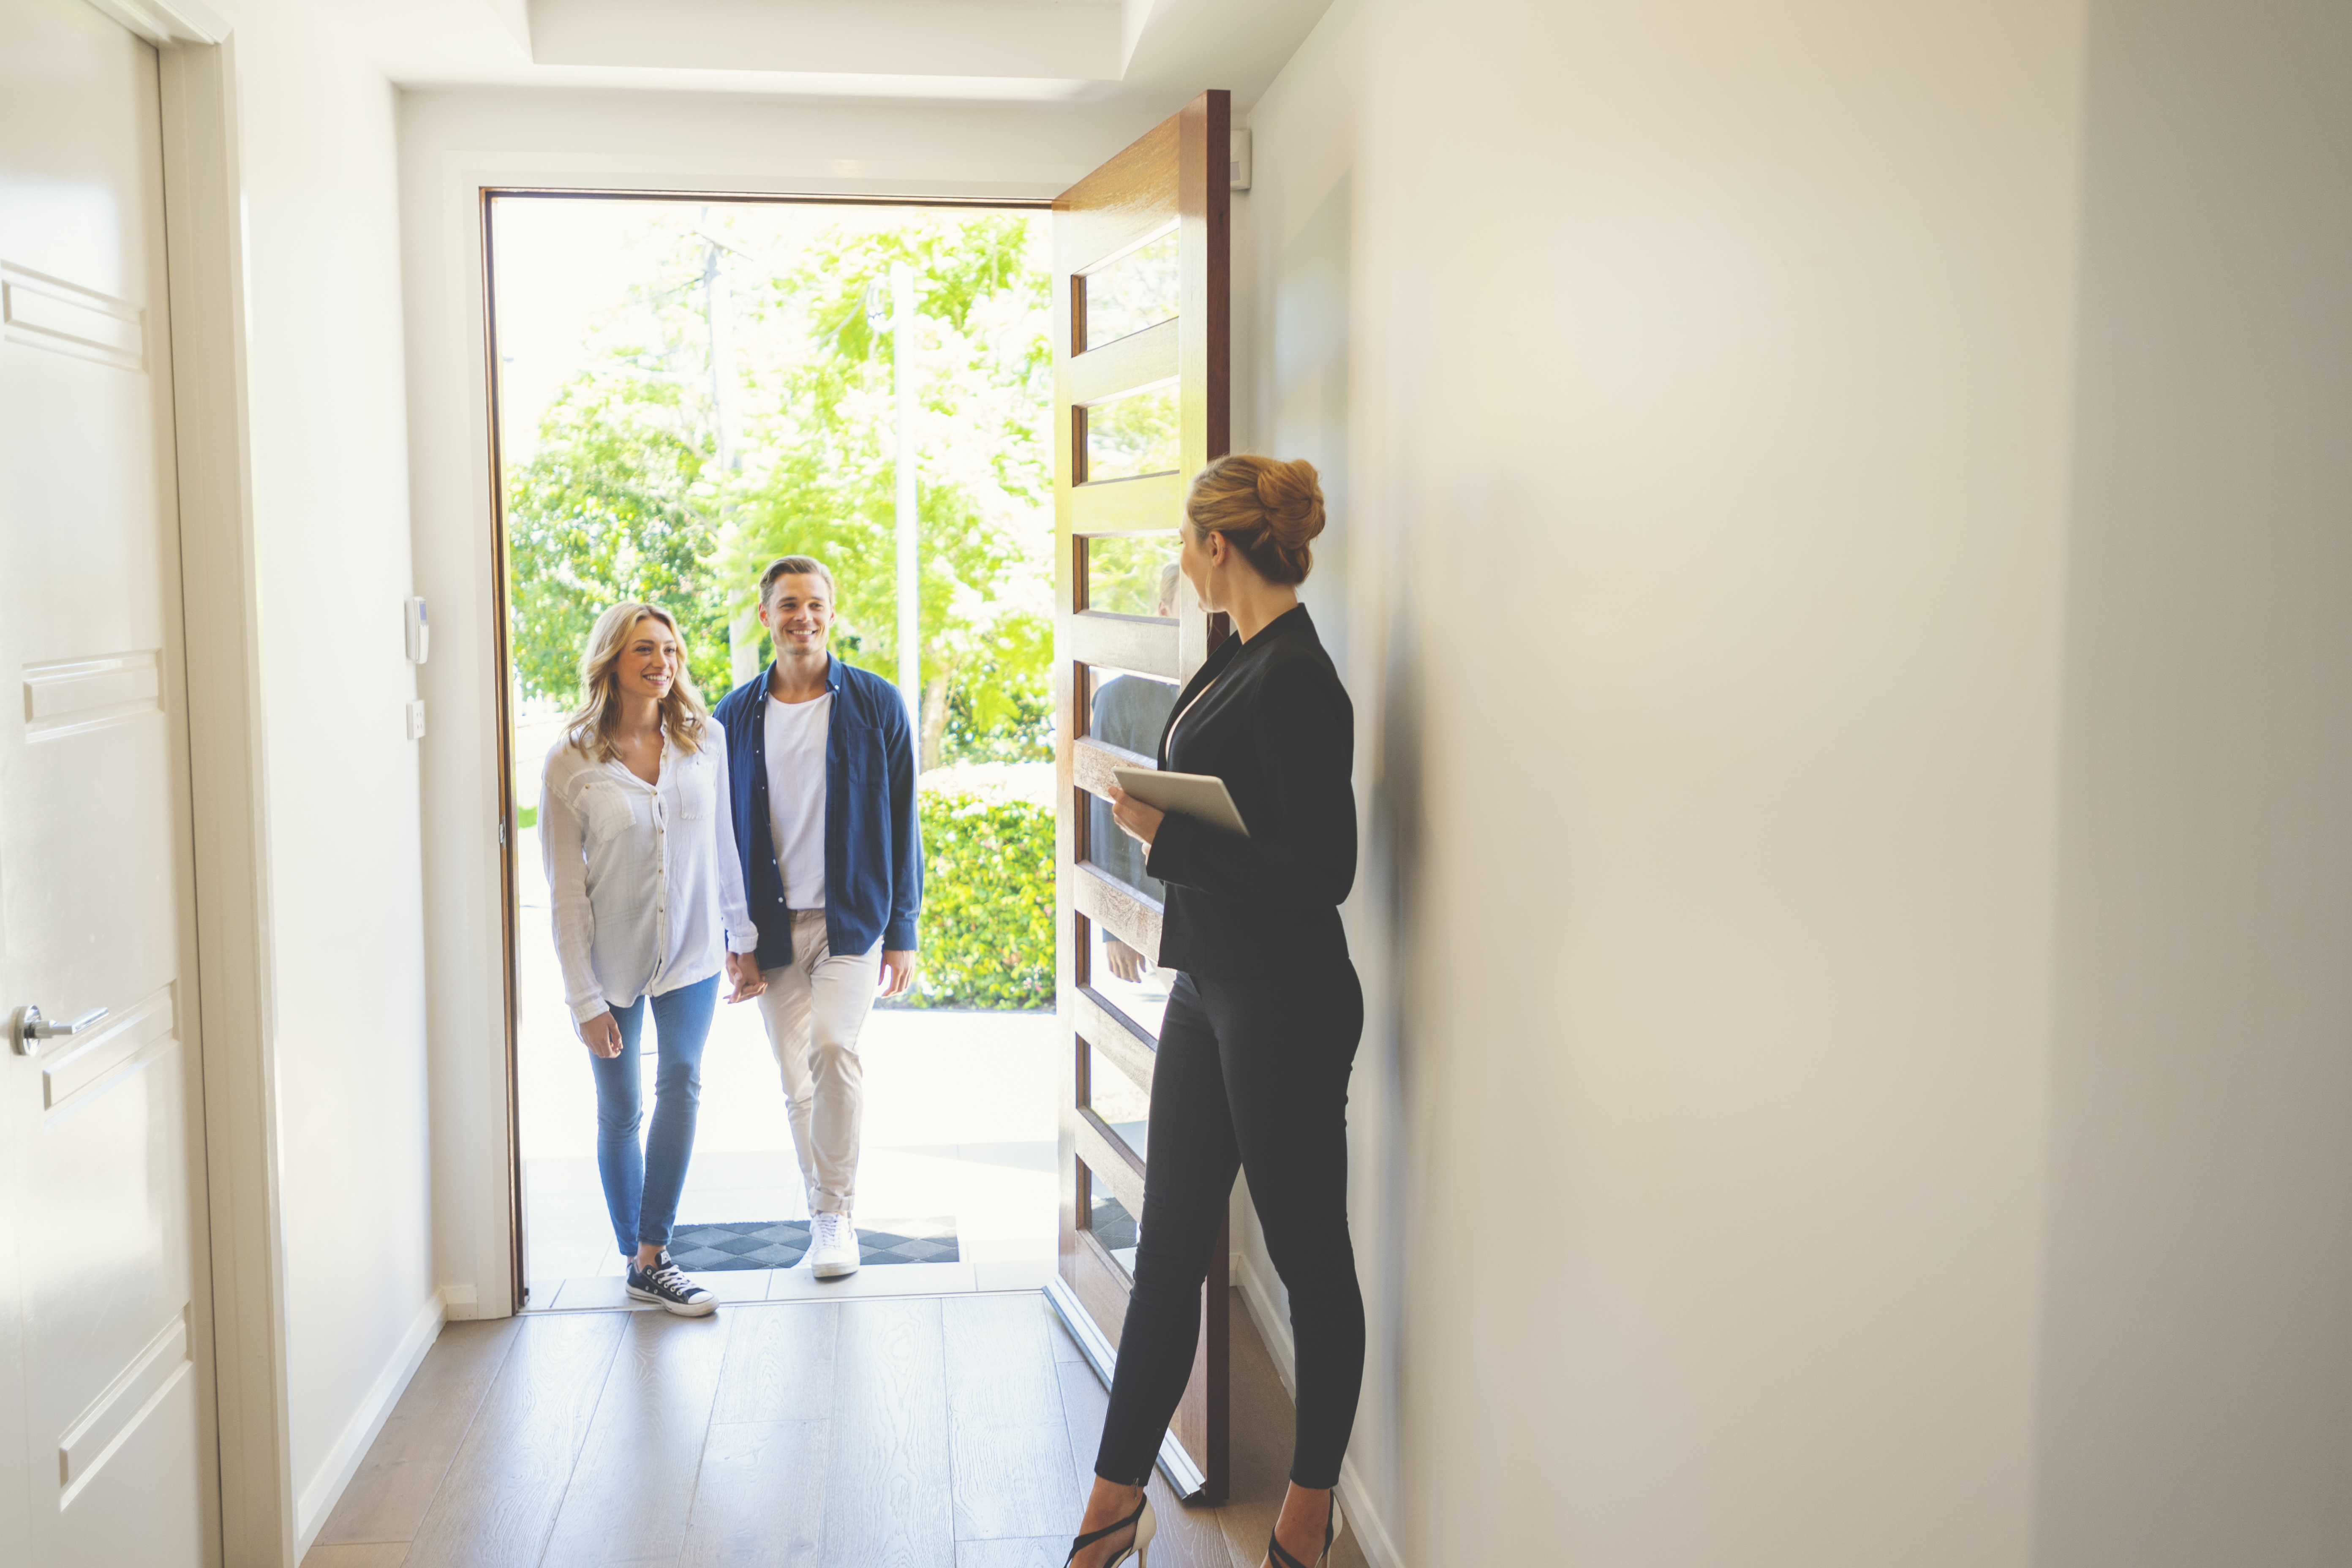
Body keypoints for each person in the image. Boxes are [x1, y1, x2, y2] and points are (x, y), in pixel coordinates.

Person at [1064, 456, 1362, 1568]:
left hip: (1285, 1003)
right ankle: (1111, 1505)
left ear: (1218, 547)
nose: (1180, 564)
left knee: (1307, 1261)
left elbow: (1322, 869)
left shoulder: (1300, 677)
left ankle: (1306, 1511)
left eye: (1187, 544)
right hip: (1210, 985)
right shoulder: (1236, 653)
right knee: (1168, 1249)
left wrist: (1163, 835)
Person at [541, 601, 764, 1317]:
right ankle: (637, 1251)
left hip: (693, 954)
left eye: (670, 650)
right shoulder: (570, 759)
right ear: (612, 660)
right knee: (620, 1109)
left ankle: (652, 1255)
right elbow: (566, 893)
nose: (661, 663)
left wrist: (743, 941)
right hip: (613, 962)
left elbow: (724, 845)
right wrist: (584, 999)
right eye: (644, 650)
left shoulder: (706, 741)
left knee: (684, 1081)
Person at [713, 555, 923, 1280]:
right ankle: (821, 1211)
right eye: (788, 604)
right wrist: (733, 942)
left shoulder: (876, 704)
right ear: (765, 614)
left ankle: (836, 1216)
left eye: (815, 604)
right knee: (795, 1080)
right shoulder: (733, 717)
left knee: (834, 1049)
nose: (803, 617)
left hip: (850, 922)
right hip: (771, 929)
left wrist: (904, 930)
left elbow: (904, 821)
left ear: (834, 613)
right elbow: (722, 841)